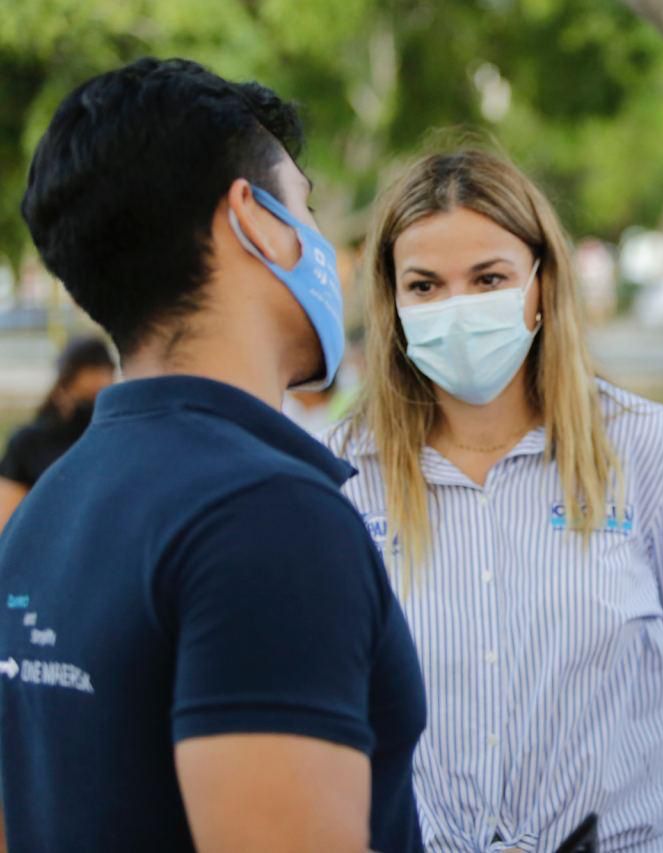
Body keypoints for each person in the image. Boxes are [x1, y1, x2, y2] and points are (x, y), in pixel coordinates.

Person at [0, 58, 425, 852]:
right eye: (305, 207)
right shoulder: (268, 516)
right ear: (253, 219)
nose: (325, 248)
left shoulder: (41, 517)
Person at [324, 148, 663, 850]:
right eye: (425, 285)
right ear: (391, 300)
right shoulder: (340, 472)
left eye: (489, 278)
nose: (458, 308)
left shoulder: (652, 453)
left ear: (541, 284)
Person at [0, 336, 115, 532]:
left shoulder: (114, 442)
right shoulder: (29, 443)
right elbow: (6, 522)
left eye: (101, 396)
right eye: (86, 397)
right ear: (62, 390)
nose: (92, 409)